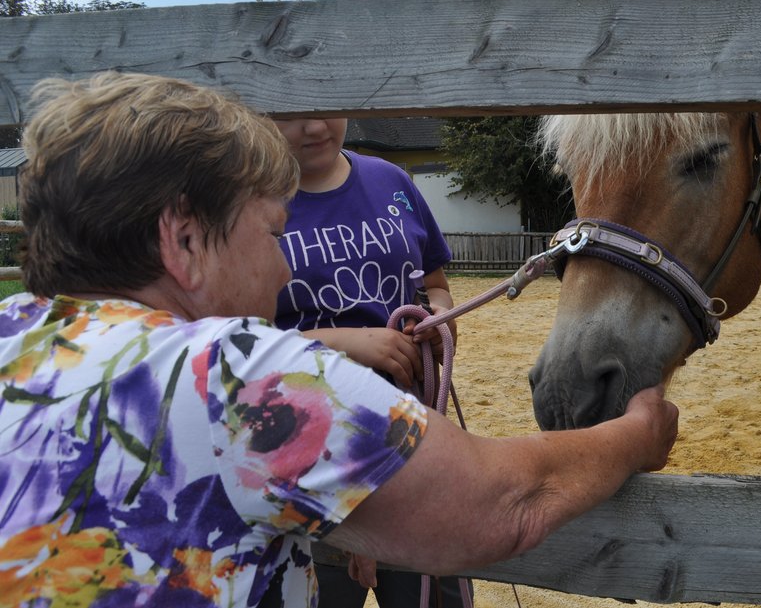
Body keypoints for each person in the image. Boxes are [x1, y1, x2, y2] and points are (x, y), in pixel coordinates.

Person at [0, 71, 679, 608]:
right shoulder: (234, 375)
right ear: (183, 240)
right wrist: (636, 432)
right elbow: (502, 505)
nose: (285, 265)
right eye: (270, 233)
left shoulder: (12, 338)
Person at [269, 117, 466, 608]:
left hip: (413, 436)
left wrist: (440, 321)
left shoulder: (392, 180)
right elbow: (232, 339)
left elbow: (435, 286)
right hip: (308, 450)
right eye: (292, 112)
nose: (314, 126)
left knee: (433, 594)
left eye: (327, 105)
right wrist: (344, 343)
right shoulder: (244, 203)